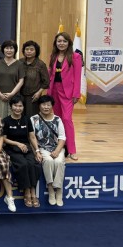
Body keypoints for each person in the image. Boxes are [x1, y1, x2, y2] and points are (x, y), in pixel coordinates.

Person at [48, 31, 82, 161]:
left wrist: (76, 94)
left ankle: (72, 150)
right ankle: (61, 147)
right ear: (55, 43)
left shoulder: (75, 57)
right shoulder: (53, 56)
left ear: (69, 43)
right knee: (57, 120)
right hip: (54, 90)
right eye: (59, 41)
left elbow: (78, 76)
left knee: (67, 119)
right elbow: (50, 74)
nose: (61, 43)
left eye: (64, 41)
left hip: (67, 92)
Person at [2, 95, 41, 208]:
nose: (18, 108)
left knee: (33, 164)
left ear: (23, 107)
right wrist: (17, 144)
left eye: (20, 106)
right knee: (23, 164)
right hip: (12, 148)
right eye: (15, 106)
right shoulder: (6, 121)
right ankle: (27, 192)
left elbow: (32, 137)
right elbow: (4, 139)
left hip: (26, 148)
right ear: (11, 107)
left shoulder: (26, 119)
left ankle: (33, 190)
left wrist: (37, 151)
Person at [31, 95, 66, 207]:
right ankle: (51, 188)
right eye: (43, 104)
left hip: (57, 147)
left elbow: (62, 137)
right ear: (39, 106)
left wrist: (57, 151)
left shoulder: (57, 119)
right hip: (43, 148)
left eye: (48, 105)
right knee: (49, 161)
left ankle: (59, 190)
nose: (46, 107)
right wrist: (37, 151)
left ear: (52, 106)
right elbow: (32, 137)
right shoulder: (33, 119)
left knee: (59, 162)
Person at [0, 39, 25, 119]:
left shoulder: (19, 64)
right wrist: (0, 94)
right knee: (0, 119)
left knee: (13, 118)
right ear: (3, 49)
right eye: (7, 48)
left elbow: (21, 81)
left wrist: (12, 94)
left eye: (11, 48)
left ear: (15, 50)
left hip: (14, 96)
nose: (9, 50)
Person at [20, 40, 49, 118]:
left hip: (33, 96)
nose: (29, 51)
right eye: (27, 49)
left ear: (36, 51)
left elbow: (46, 81)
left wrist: (39, 93)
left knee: (31, 118)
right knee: (20, 117)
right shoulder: (20, 62)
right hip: (20, 95)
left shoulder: (40, 64)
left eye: (31, 49)